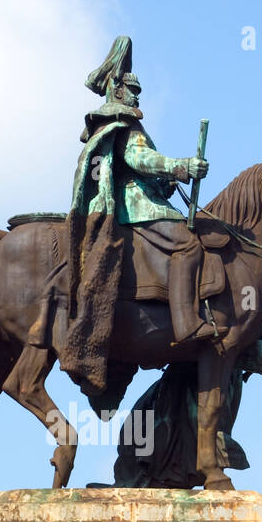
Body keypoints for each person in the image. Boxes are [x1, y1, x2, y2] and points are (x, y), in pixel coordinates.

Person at [57, 35, 214, 397]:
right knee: (188, 245)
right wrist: (181, 167)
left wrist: (167, 182)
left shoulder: (119, 121)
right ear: (117, 89)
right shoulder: (123, 122)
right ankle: (187, 322)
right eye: (133, 89)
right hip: (135, 206)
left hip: (144, 199)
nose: (137, 96)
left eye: (139, 90)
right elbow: (142, 160)